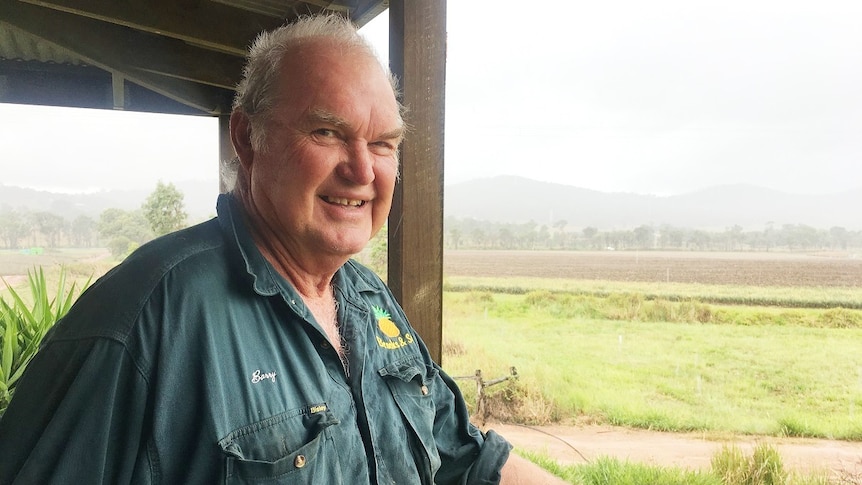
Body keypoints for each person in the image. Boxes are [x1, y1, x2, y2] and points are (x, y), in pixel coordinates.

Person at [0, 14, 567, 484]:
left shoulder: (368, 298)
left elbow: (464, 458)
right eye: (327, 134)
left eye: (382, 143)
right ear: (248, 138)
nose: (361, 170)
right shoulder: (146, 317)